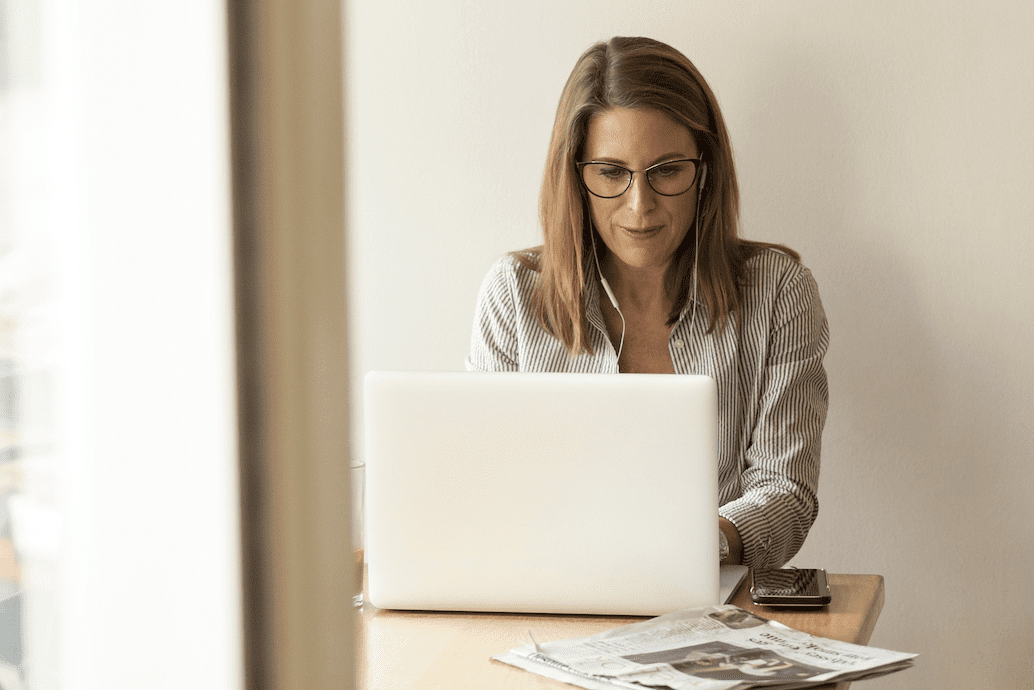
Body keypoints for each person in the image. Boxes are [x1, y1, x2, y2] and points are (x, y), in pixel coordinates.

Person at [465, 36, 828, 570]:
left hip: (710, 596)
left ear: (705, 169)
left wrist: (690, 549)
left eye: (667, 170)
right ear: (575, 176)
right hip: (549, 592)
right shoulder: (513, 294)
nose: (640, 206)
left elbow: (786, 492)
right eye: (611, 173)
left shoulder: (778, 292)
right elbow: (486, 485)